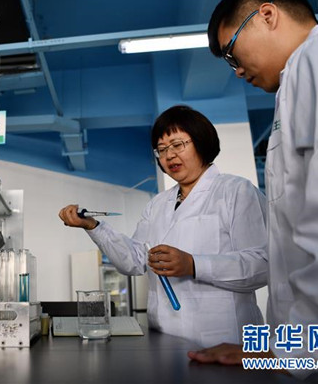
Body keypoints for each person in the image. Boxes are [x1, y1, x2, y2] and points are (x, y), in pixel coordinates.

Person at [188, 0, 318, 382]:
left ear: (266, 15)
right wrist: (277, 347)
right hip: (311, 350)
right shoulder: (297, 79)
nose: (237, 70)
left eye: (232, 53)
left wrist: (291, 350)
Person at [59, 105, 268, 347]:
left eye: (177, 145)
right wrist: (93, 226)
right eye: (161, 149)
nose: (169, 156)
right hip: (165, 339)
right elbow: (135, 260)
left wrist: (193, 264)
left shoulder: (236, 191)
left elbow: (263, 265)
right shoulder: (158, 204)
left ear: (201, 141)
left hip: (225, 340)